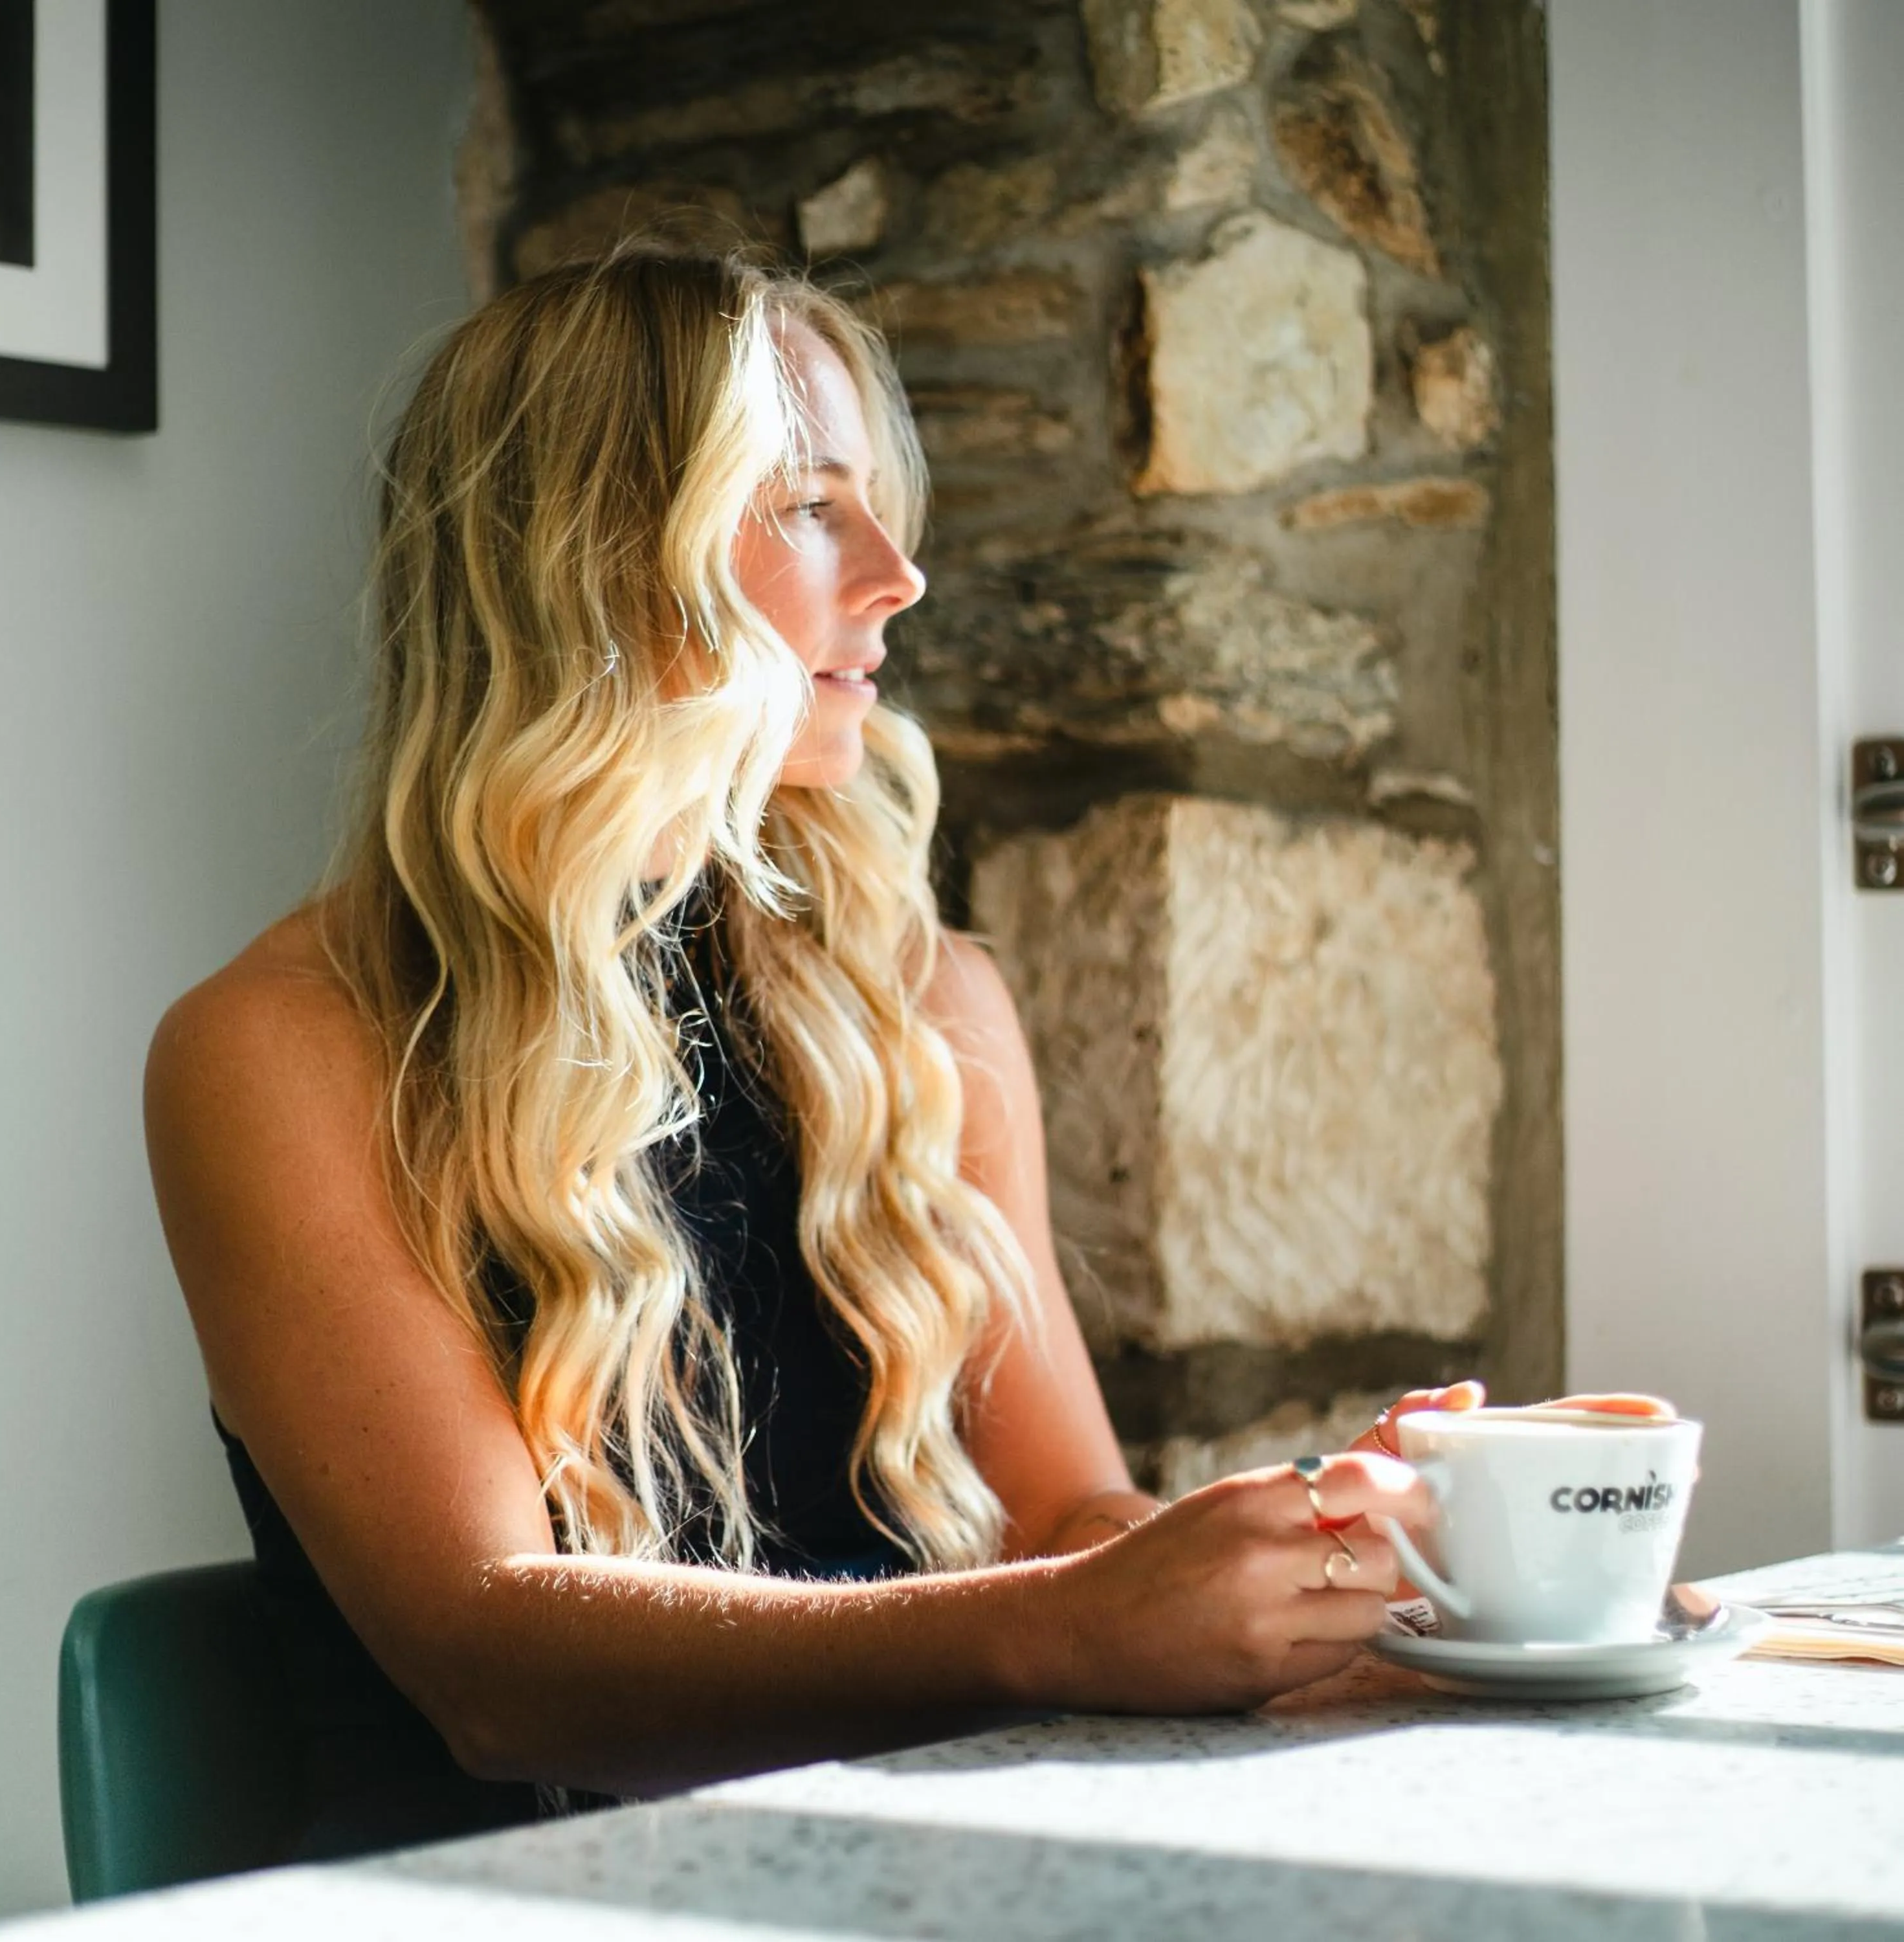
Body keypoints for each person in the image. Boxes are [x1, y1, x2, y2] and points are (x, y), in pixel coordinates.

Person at [143, 238, 1630, 1861]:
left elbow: (1069, 1516)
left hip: (926, 1878)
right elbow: (495, 1667)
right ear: (597, 562)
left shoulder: (924, 1000)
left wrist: (1320, 1564)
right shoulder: (280, 1048)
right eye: (806, 505)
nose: (897, 575)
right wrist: (1067, 1626)